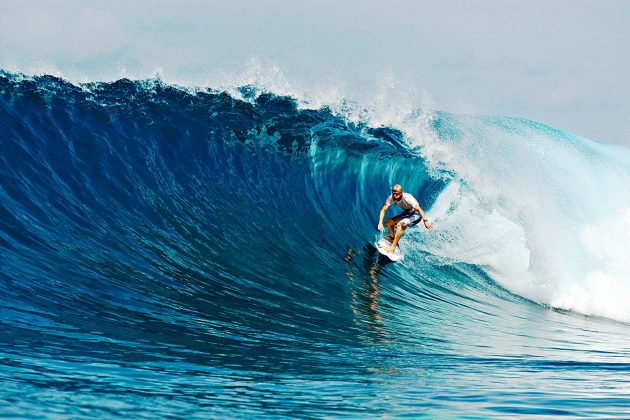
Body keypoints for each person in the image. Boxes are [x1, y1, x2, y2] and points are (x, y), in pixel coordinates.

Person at [377, 184, 432, 253]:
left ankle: (392, 248)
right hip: (407, 213)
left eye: (397, 194)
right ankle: (393, 239)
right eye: (393, 194)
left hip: (416, 216)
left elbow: (420, 210)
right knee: (389, 223)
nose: (395, 196)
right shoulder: (391, 198)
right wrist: (380, 222)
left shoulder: (408, 197)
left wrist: (425, 221)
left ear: (401, 193)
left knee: (399, 225)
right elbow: (383, 210)